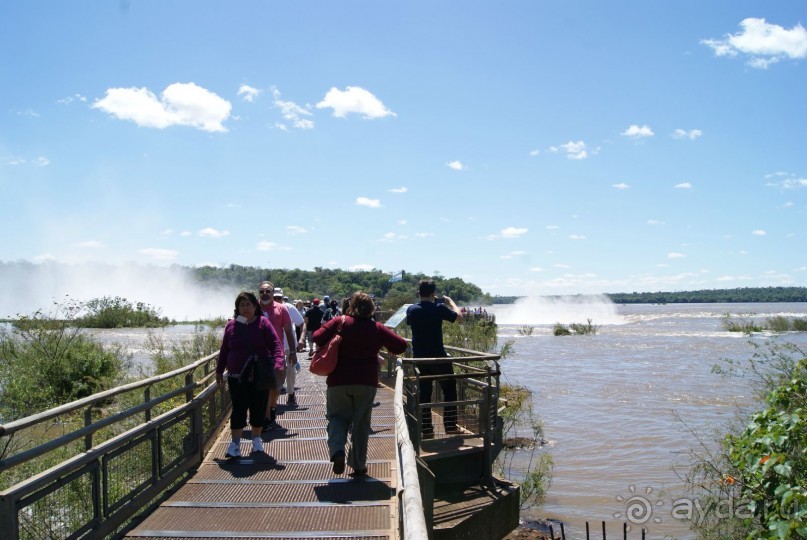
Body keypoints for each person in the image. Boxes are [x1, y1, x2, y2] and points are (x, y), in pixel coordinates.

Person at [313, 291, 407, 477]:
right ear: (371, 308)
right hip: (366, 382)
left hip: (338, 381)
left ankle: (337, 450)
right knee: (361, 424)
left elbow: (317, 336)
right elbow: (401, 346)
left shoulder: (340, 322)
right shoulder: (376, 328)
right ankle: (358, 465)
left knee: (337, 418)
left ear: (351, 305)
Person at [216, 291, 283, 457]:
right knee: (239, 408)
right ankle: (235, 445)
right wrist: (219, 370)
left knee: (258, 407)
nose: (245, 308)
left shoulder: (263, 323)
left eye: (248, 304)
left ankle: (256, 440)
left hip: (258, 374)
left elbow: (275, 344)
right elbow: (225, 349)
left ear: (255, 306)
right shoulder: (231, 325)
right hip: (236, 376)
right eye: (241, 305)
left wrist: (279, 362)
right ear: (237, 308)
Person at [406, 279, 463, 438]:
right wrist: (451, 302)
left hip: (420, 359)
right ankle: (450, 427)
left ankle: (427, 430)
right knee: (450, 390)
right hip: (438, 357)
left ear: (419, 293)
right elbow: (459, 318)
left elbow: (418, 315)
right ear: (433, 293)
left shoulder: (411, 310)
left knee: (424, 394)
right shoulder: (439, 308)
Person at [257, 281, 298, 429]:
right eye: (262, 291)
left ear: (273, 293)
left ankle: (272, 410)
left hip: (276, 354)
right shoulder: (253, 307)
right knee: (261, 388)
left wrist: (293, 352)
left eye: (268, 291)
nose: (265, 294)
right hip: (257, 355)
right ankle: (265, 417)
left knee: (275, 387)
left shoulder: (282, 309)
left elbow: (288, 331)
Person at [276, 289, 305, 405]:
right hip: (274, 347)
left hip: (289, 346)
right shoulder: (266, 308)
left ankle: (291, 392)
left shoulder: (289, 308)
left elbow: (302, 323)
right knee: (276, 371)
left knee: (291, 371)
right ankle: (273, 398)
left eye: (279, 298)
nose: (277, 300)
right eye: (275, 298)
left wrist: (302, 338)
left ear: (283, 298)